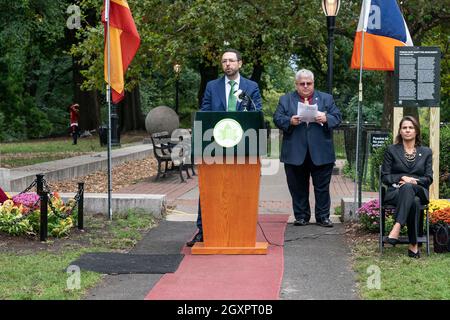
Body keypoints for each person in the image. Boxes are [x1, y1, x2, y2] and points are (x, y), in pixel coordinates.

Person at [186, 48, 263, 247]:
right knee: (210, 189)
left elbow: (257, 112)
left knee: (240, 190)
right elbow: (205, 112)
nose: (227, 64)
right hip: (215, 146)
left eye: (231, 61)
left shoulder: (250, 86)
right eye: (224, 61)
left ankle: (242, 232)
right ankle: (203, 231)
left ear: (240, 63)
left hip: (243, 145)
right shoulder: (212, 86)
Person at [273, 69, 342, 228]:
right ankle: (301, 216)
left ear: (313, 84)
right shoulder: (286, 99)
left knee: (322, 188)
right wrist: (289, 121)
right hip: (295, 151)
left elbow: (337, 117)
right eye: (301, 84)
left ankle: (323, 217)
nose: (305, 86)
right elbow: (277, 117)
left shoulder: (326, 98)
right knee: (297, 188)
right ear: (296, 84)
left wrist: (326, 118)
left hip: (321, 151)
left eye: (308, 83)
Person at [381, 116, 433, 258]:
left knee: (410, 188)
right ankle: (413, 245)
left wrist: (414, 181)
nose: (407, 130)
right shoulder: (391, 150)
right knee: (413, 200)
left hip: (419, 190)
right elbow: (385, 176)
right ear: (400, 131)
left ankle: (397, 227)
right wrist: (401, 177)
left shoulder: (426, 152)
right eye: (404, 128)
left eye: (411, 127)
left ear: (416, 131)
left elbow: (429, 178)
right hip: (396, 191)